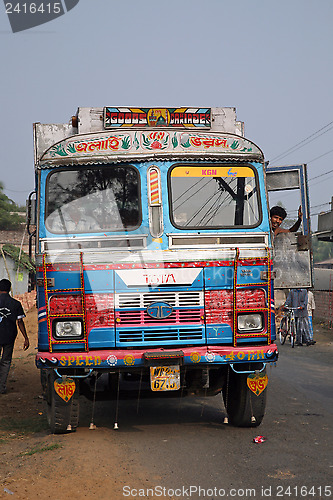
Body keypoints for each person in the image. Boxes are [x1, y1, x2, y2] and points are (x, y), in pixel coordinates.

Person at [0, 279, 29, 394]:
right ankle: (1, 387)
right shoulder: (16, 304)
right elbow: (20, 322)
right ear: (9, 289)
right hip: (9, 336)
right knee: (6, 361)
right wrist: (26, 338)